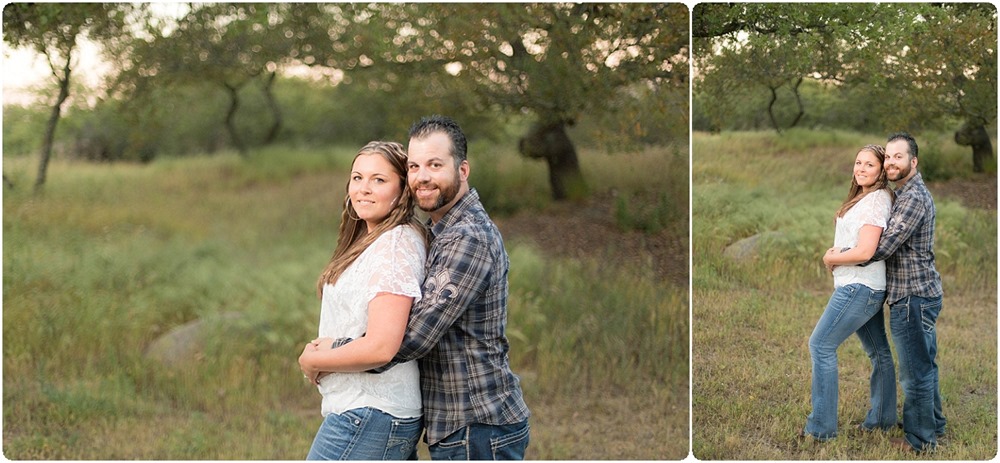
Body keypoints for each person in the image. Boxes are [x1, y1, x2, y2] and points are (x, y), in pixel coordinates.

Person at [310, 115, 531, 460]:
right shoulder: (437, 233)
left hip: (476, 419)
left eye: (435, 164)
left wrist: (327, 354)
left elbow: (411, 337)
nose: (422, 176)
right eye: (414, 166)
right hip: (452, 420)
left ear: (463, 169)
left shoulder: (467, 238)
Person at [298, 141, 428, 460]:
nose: (364, 189)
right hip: (369, 412)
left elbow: (382, 347)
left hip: (370, 413)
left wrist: (314, 360)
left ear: (403, 190)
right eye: (357, 178)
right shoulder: (378, 241)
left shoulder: (394, 249)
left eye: (379, 180)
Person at [801, 144, 896, 442]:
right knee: (879, 352)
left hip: (859, 286)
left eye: (869, 164)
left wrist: (832, 258)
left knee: (821, 345)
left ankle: (821, 430)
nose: (861, 169)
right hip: (864, 286)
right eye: (858, 163)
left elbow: (866, 250)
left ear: (881, 170)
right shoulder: (864, 198)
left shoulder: (877, 200)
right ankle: (882, 421)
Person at [869, 132, 945, 452]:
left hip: (912, 296)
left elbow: (885, 246)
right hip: (917, 293)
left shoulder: (913, 196)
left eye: (898, 157)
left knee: (915, 373)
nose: (890, 163)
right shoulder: (904, 193)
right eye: (887, 157)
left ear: (913, 161)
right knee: (924, 364)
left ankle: (920, 440)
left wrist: (848, 252)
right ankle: (934, 424)